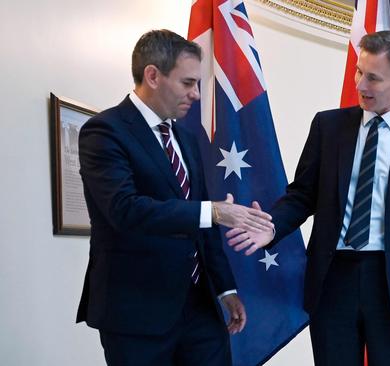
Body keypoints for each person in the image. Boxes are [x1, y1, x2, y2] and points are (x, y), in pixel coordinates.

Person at [225, 30, 390, 366]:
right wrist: (272, 228)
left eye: (374, 78)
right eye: (359, 72)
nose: (361, 85)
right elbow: (302, 195)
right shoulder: (328, 126)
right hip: (334, 279)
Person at [76, 29, 274, 366]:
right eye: (187, 83)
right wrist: (213, 212)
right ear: (152, 75)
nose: (196, 94)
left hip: (200, 308)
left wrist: (225, 289)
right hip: (137, 313)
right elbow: (125, 210)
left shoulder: (184, 137)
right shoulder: (104, 131)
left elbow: (205, 221)